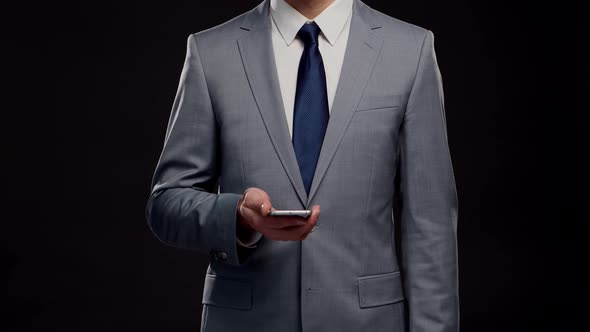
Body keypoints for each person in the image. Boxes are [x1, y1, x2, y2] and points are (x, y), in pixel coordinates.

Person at [145, 0, 459, 331]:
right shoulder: (211, 52)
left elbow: (431, 224)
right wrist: (236, 217)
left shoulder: (410, 50)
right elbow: (166, 203)